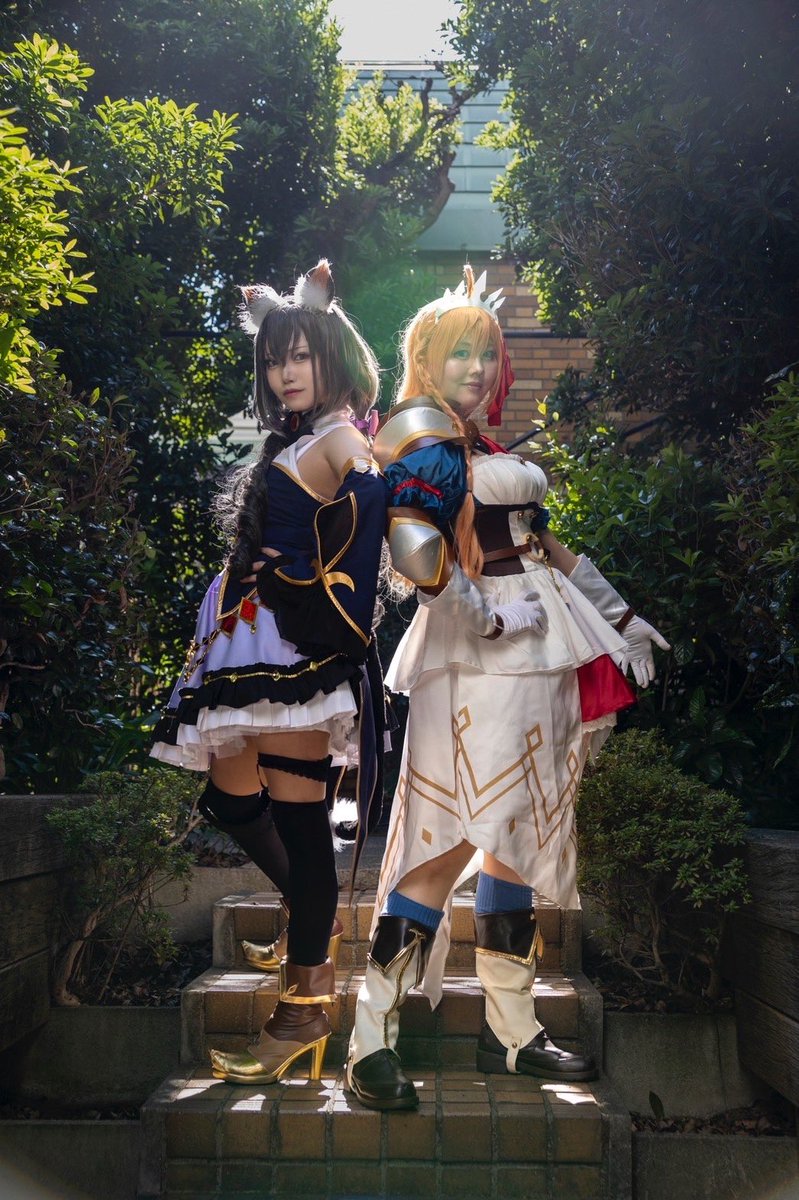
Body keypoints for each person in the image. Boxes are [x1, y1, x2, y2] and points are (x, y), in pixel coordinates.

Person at [345, 267, 670, 1111]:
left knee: (513, 839)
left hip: (539, 656)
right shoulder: (423, 439)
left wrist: (620, 616)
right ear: (425, 358)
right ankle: (369, 1037)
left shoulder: (482, 449)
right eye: (460, 353)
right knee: (443, 838)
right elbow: (412, 545)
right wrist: (483, 613)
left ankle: (515, 1032)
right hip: (474, 660)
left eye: (487, 355)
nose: (478, 369)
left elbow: (543, 547)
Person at [151, 260, 389, 1085]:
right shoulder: (297, 439)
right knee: (227, 793)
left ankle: (303, 1009)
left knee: (301, 828)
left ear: (331, 356)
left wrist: (301, 582)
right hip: (248, 644)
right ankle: (308, 913)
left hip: (293, 653)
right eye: (273, 359)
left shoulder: (341, 439)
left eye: (300, 356)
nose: (285, 372)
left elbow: (367, 523)